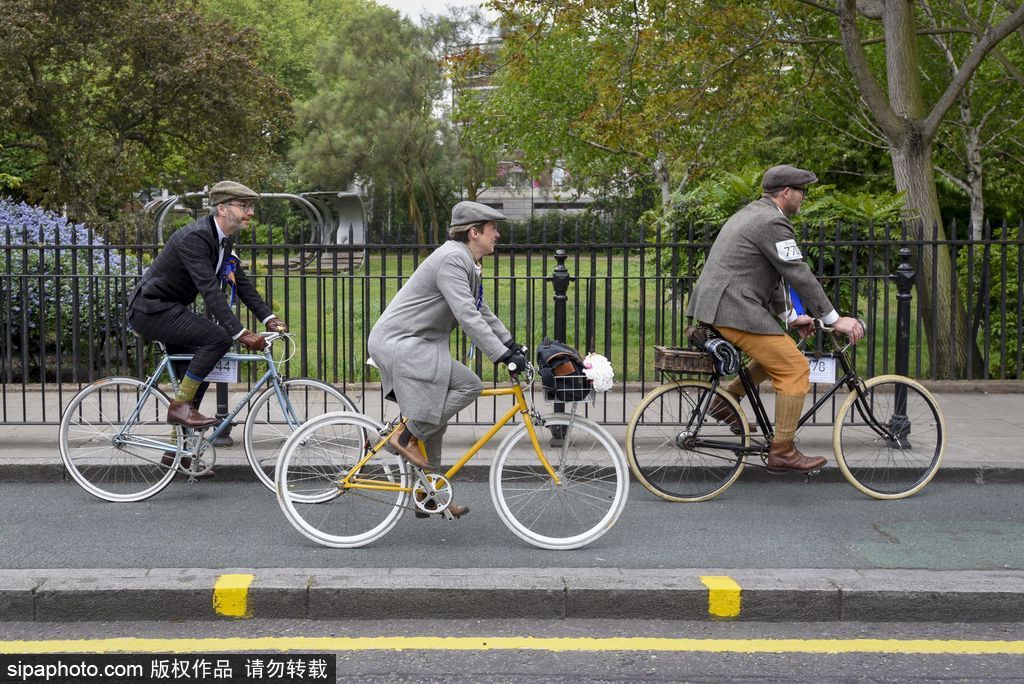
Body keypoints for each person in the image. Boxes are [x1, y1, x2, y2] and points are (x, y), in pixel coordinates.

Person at [685, 164, 864, 473]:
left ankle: (725, 401)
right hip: (733, 308)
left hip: (720, 304)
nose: (804, 197)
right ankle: (783, 450)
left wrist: (791, 316)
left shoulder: (752, 213)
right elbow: (798, 273)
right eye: (802, 192)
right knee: (795, 368)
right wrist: (835, 320)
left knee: (777, 357)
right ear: (786, 193)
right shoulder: (772, 222)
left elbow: (767, 275)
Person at [367, 201, 527, 518]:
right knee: (470, 385)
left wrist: (510, 343)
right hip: (402, 345)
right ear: (474, 232)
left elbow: (480, 309)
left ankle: (430, 495)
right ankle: (404, 435)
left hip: (419, 346)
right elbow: (467, 316)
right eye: (493, 228)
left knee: (435, 422)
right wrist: (502, 356)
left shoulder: (466, 260)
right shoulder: (452, 259)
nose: (498, 234)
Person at [127, 181, 287, 468]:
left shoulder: (223, 241)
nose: (250, 212)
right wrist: (239, 332)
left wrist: (268, 317)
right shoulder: (196, 237)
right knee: (217, 338)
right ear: (222, 208)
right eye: (244, 206)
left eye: (251, 207)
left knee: (197, 374)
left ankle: (178, 451)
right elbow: (209, 290)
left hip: (169, 309)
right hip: (150, 309)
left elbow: (242, 283)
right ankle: (179, 409)